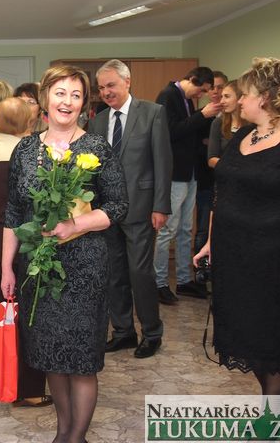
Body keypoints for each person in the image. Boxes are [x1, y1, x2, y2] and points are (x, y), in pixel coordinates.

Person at [193, 57, 280, 395]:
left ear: (267, 97)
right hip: (234, 260)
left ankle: (271, 413)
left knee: (273, 345)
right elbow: (223, 192)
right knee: (246, 338)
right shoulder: (244, 134)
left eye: (246, 94)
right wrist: (212, 241)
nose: (239, 100)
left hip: (275, 264)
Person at [2, 66, 128, 442]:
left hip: (85, 267)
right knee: (52, 356)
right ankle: (64, 433)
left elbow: (118, 205)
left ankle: (75, 438)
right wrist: (7, 267)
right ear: (45, 97)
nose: (67, 102)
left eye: (76, 95)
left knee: (81, 359)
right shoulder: (25, 149)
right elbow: (12, 212)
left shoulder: (96, 148)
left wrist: (76, 225)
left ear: (83, 103)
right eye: (60, 93)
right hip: (39, 268)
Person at [88, 59, 172, 359]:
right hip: (106, 213)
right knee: (114, 274)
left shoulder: (152, 113)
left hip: (141, 208)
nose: (106, 92)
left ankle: (152, 332)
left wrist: (161, 206)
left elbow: (163, 161)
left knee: (140, 273)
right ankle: (123, 331)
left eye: (111, 85)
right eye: (101, 88)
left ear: (127, 81)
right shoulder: (97, 121)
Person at [0, 97, 52, 407]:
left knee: (1, 317)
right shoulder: (26, 155)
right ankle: (30, 390)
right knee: (28, 318)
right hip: (15, 243)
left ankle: (4, 384)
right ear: (29, 123)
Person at [153, 67, 220, 304]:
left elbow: (189, 129)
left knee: (185, 229)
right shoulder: (168, 95)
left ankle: (183, 280)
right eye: (201, 90)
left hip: (190, 173)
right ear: (192, 80)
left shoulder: (187, 99)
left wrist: (203, 115)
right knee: (167, 230)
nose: (200, 95)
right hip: (175, 173)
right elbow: (170, 131)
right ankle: (159, 283)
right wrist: (202, 115)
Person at [194, 71, 227, 256]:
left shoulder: (238, 117)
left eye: (220, 87)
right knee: (203, 227)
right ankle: (201, 267)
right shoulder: (201, 115)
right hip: (206, 180)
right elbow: (196, 146)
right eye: (212, 88)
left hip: (228, 182)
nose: (215, 91)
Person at [207, 80, 245, 168]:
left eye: (227, 96)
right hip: (225, 174)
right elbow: (211, 159)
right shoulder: (218, 123)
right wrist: (235, 167)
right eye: (222, 97)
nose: (222, 101)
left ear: (240, 98)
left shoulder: (253, 124)